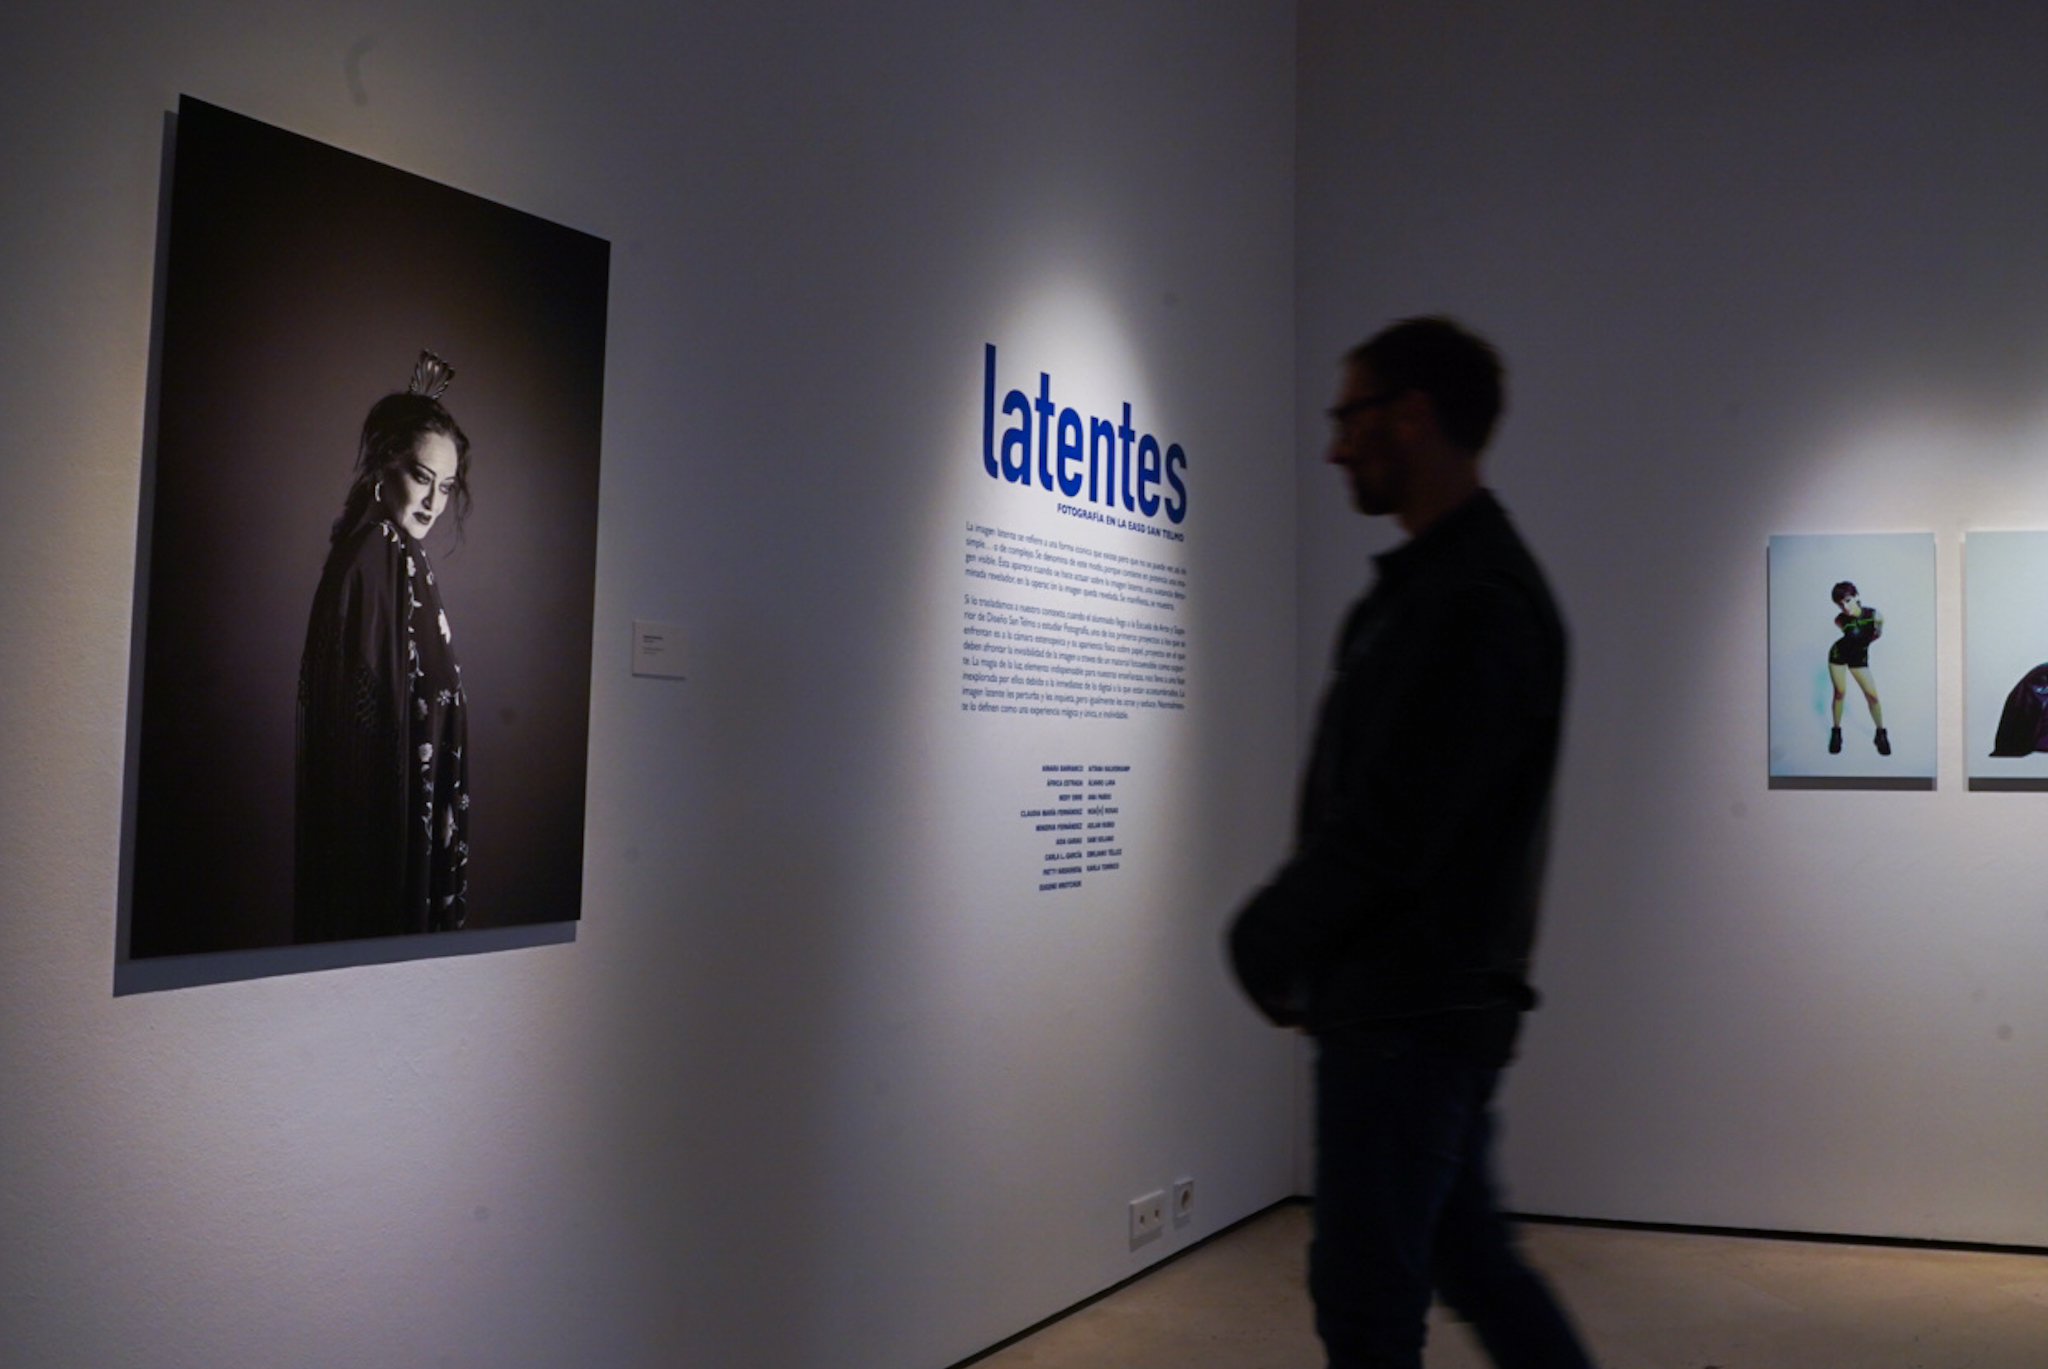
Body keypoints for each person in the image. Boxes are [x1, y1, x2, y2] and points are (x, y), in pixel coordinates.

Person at [1229, 317, 1594, 1369]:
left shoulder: (1470, 601)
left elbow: (1393, 826)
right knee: (1468, 1258)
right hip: (1423, 1006)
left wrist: (1265, 934)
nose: (1334, 445)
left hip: (1405, 1015)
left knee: (1366, 1305)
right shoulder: (1444, 587)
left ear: (1413, 415)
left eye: (1349, 416)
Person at [294, 350, 472, 942]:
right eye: (421, 478)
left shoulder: (403, 556)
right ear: (382, 466)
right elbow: (361, 719)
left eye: (446, 487)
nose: (433, 503)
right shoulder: (376, 556)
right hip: (386, 830)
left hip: (417, 822)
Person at [1825, 582, 1888, 755]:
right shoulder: (1840, 619)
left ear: (1857, 596)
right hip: (1838, 655)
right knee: (1840, 693)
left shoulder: (1875, 615)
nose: (1845, 607)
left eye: (1848, 600)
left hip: (1858, 657)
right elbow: (1850, 635)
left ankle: (1880, 733)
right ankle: (1836, 732)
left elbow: (1876, 634)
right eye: (1839, 604)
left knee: (1873, 697)